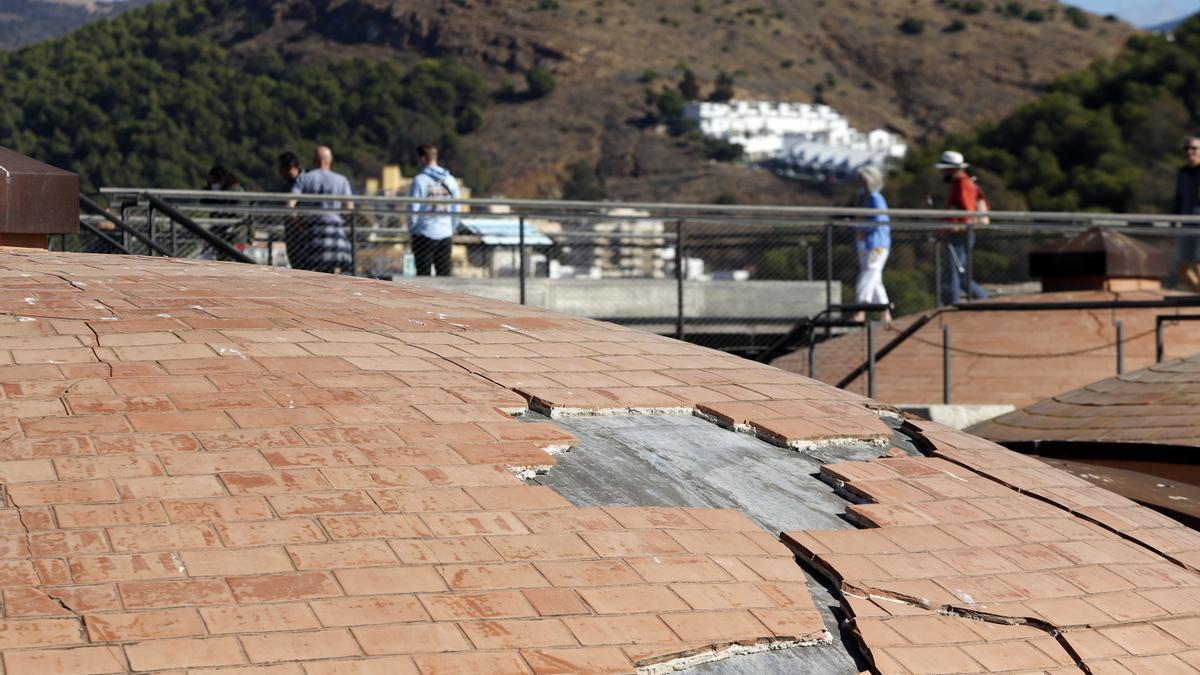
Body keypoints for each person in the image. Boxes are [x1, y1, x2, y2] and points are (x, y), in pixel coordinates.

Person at [287, 146, 354, 274]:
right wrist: (342, 223)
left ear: (314, 160)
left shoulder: (304, 178)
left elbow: (290, 206)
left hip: (311, 233)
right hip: (335, 233)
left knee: (309, 272)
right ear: (330, 160)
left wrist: (299, 224)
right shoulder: (341, 180)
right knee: (339, 269)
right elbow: (349, 210)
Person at [936, 150, 989, 304]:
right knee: (960, 273)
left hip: (959, 234)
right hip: (957, 233)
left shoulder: (963, 184)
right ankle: (982, 299)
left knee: (954, 271)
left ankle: (956, 304)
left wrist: (953, 227)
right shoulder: (959, 183)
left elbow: (967, 211)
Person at [407, 144, 461, 276]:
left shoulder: (419, 181)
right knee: (444, 276)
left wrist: (412, 229)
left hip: (423, 234)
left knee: (423, 277)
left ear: (423, 159)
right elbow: (456, 209)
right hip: (445, 232)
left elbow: (413, 210)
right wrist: (451, 227)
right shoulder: (450, 180)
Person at [852, 166, 891, 323]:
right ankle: (884, 311)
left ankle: (861, 308)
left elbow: (878, 221)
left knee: (869, 274)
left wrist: (858, 226)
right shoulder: (864, 197)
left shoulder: (876, 198)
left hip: (876, 244)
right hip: (866, 243)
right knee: (874, 277)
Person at [1174, 136, 1200, 290]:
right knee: (1181, 267)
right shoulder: (1182, 173)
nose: (1190, 151)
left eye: (1194, 148)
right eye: (1187, 148)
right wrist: (1172, 225)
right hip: (1185, 223)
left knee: (1198, 264)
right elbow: (1178, 199)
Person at [204, 166, 245, 250]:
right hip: (222, 232)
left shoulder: (235, 191)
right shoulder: (221, 193)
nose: (212, 185)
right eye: (210, 183)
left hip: (234, 233)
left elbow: (239, 215)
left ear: (222, 179)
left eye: (214, 182)